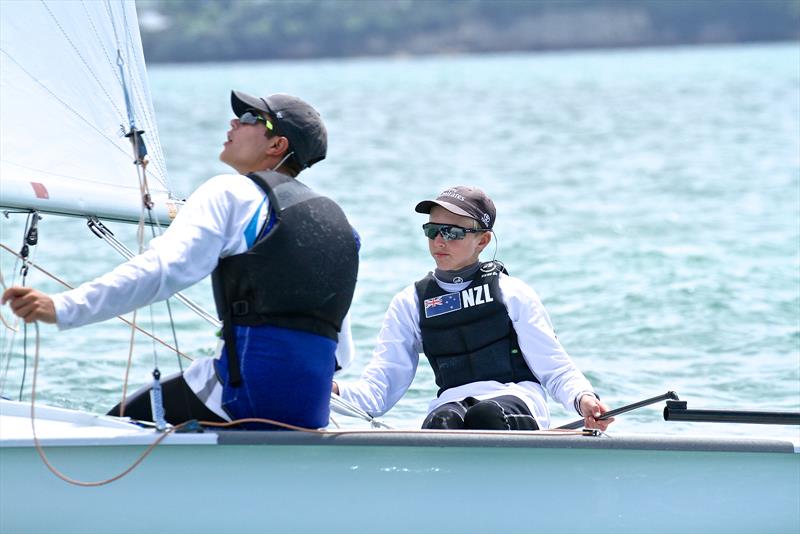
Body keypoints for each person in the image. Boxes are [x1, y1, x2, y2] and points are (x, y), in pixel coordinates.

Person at [3, 90, 359, 430]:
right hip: (309, 409)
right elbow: (341, 353)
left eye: (250, 117)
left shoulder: (231, 192)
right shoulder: (340, 224)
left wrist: (63, 307)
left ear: (277, 145)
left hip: (241, 398)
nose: (234, 123)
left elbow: (164, 268)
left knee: (121, 422)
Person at [333, 186, 613, 431]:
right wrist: (330, 392)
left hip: (517, 399)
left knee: (486, 414)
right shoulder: (409, 303)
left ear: (483, 240)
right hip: (451, 405)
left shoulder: (512, 293)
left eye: (453, 233)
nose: (439, 241)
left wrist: (584, 399)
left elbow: (554, 367)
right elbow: (380, 387)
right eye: (432, 231)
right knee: (441, 420)